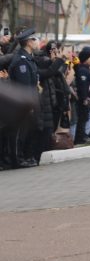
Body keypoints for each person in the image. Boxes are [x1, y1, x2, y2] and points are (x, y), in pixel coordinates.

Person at [7, 28, 41, 168]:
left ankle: (25, 157)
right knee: (19, 133)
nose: (37, 42)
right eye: (35, 39)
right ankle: (17, 160)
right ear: (28, 42)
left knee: (28, 131)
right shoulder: (21, 61)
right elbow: (24, 86)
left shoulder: (29, 59)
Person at [73, 46, 90, 144]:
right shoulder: (82, 70)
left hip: (88, 99)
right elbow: (83, 86)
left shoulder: (86, 69)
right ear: (86, 58)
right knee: (82, 119)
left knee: (86, 117)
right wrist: (85, 98)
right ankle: (80, 138)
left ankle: (83, 136)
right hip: (84, 99)